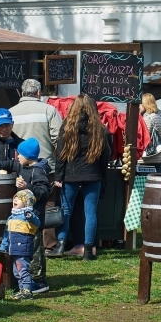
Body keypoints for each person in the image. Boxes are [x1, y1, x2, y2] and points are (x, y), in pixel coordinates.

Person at [50, 95, 111, 260]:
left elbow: (60, 155)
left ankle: (60, 245)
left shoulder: (67, 127)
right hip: (93, 173)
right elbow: (105, 155)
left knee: (66, 210)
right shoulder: (99, 129)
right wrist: (102, 175)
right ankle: (89, 250)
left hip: (71, 174)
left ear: (73, 107)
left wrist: (58, 176)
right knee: (90, 212)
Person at [0, 138, 50, 293]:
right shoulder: (21, 165)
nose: (17, 156)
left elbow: (44, 193)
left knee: (34, 251)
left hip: (33, 219)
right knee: (24, 250)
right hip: (21, 220)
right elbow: (7, 163)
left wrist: (27, 186)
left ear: (28, 156)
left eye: (20, 154)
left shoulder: (38, 171)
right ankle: (25, 278)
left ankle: (39, 282)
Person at [9, 79, 62, 258]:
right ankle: (49, 245)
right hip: (45, 166)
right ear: (38, 93)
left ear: (22, 92)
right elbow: (58, 139)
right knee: (48, 203)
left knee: (20, 202)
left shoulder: (11, 112)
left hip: (20, 167)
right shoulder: (49, 110)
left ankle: (21, 239)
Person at [0, 189, 41, 300]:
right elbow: (6, 234)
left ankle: (27, 290)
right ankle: (22, 290)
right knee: (16, 271)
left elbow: (37, 223)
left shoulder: (28, 216)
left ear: (26, 203)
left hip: (23, 247)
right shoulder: (11, 217)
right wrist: (3, 245)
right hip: (14, 248)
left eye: (19, 199)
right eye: (15, 198)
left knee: (23, 269)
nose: (15, 200)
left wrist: (31, 217)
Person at [140, 93, 161, 173]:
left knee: (143, 180)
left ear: (145, 104)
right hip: (157, 157)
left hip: (147, 158)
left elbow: (144, 136)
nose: (138, 106)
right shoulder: (159, 117)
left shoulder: (147, 119)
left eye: (140, 104)